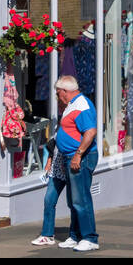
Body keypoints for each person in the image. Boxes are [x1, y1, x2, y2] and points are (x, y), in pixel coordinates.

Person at [30, 75, 99, 251]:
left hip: (80, 158)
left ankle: (90, 238)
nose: (57, 95)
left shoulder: (82, 104)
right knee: (73, 200)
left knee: (81, 199)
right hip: (70, 157)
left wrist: (78, 155)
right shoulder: (73, 104)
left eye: (58, 92)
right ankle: (75, 236)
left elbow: (90, 132)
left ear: (65, 91)